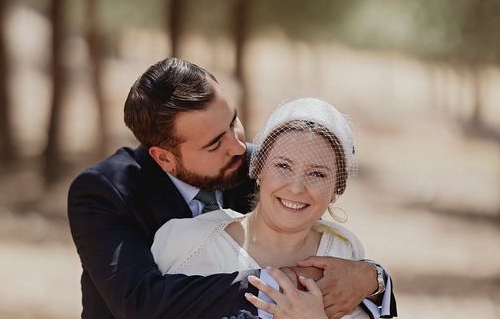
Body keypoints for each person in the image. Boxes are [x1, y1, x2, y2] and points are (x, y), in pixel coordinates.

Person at [68, 58, 397, 319]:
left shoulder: (263, 165)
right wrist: (288, 283)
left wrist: (372, 278)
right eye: (214, 144)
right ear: (164, 158)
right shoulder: (104, 193)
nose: (239, 147)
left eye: (233, 122)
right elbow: (141, 303)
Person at [151, 97, 390, 319]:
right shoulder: (187, 244)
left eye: (317, 174)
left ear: (337, 186)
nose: (296, 188)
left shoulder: (342, 254)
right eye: (283, 166)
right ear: (259, 167)